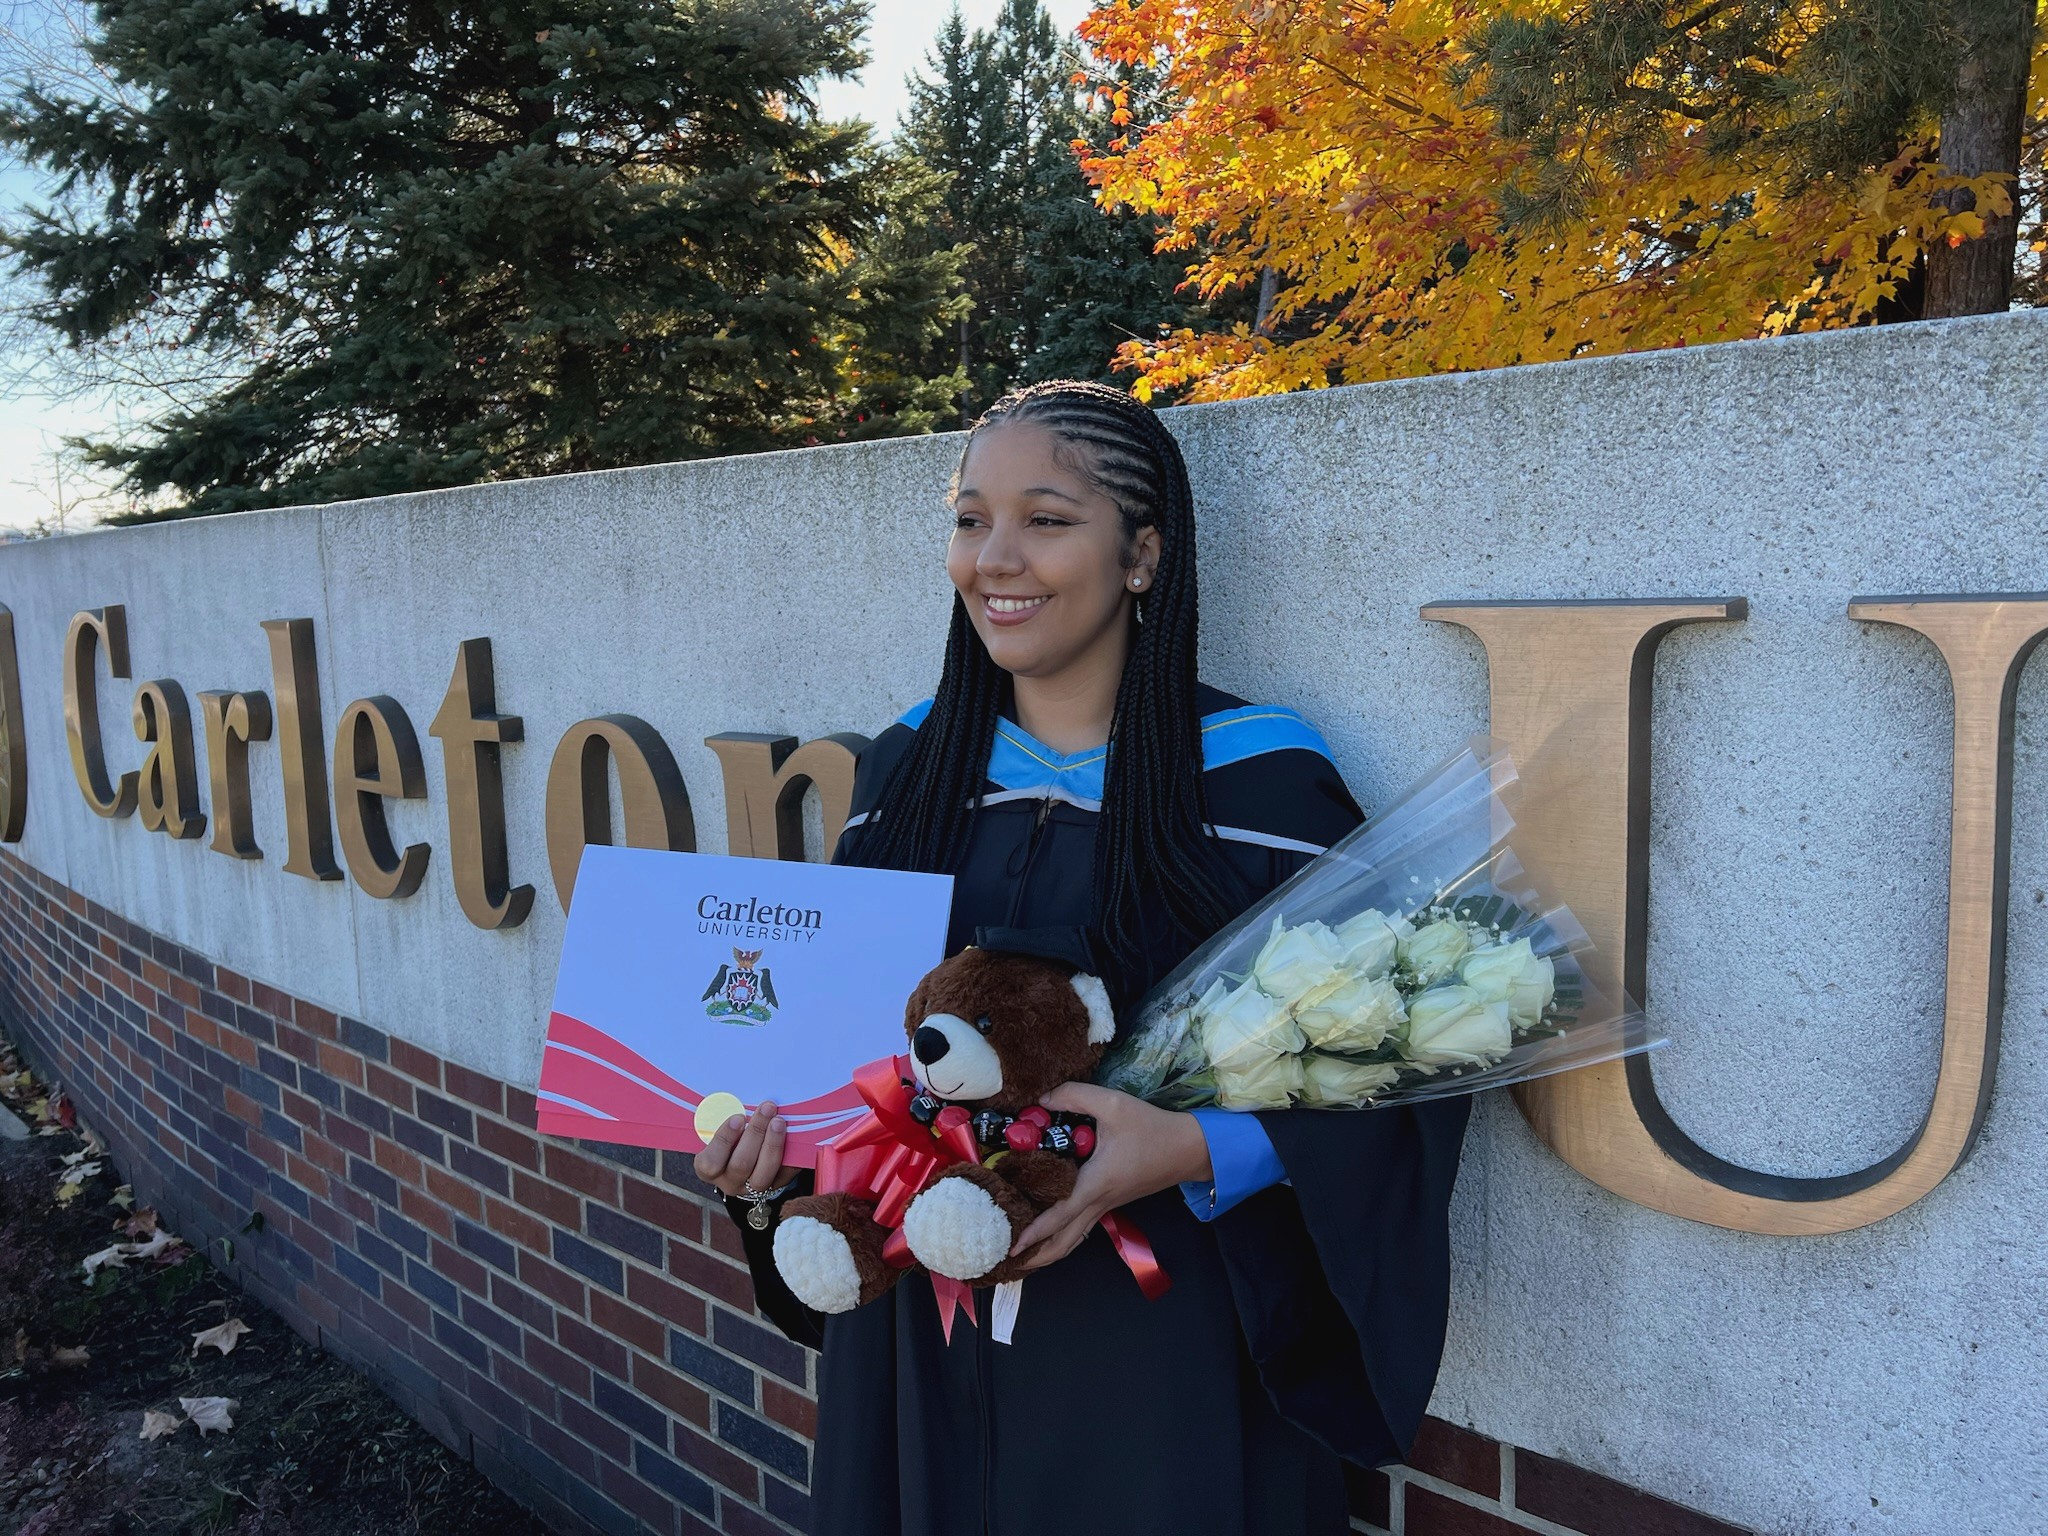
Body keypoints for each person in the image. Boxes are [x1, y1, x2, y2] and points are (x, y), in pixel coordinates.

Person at [694, 380, 1470, 1536]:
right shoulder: (909, 772)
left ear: (1142, 554)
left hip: (1159, 1339)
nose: (993, 559)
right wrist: (772, 1172)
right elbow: (850, 1060)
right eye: (968, 519)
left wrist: (1197, 1146)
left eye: (1046, 520)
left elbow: (1397, 1074)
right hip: (920, 1322)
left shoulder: (1259, 785)